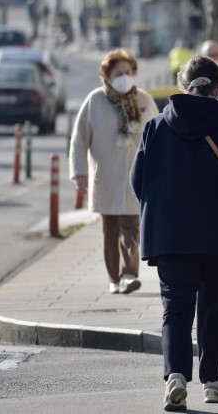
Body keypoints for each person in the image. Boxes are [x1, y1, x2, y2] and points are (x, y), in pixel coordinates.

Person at [130, 55, 218, 411]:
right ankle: (213, 382)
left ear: (182, 85)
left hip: (170, 234)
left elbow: (137, 182)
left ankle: (175, 376)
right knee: (212, 308)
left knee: (175, 310)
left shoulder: (157, 127)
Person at [69, 48, 158, 295]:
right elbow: (79, 140)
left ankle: (130, 274)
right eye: (118, 72)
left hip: (135, 177)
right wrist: (79, 172)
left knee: (131, 227)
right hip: (104, 177)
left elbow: (157, 136)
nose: (124, 77)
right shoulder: (94, 100)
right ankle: (114, 277)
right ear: (106, 76)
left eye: (128, 72)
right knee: (109, 231)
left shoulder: (143, 100)